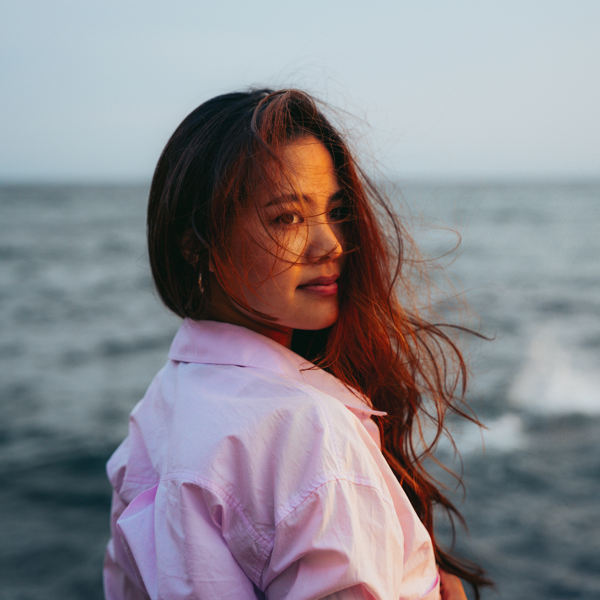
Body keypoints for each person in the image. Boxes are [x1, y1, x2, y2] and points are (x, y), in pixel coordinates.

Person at [103, 89, 491, 599]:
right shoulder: (307, 430)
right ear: (198, 244)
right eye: (286, 217)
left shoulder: (160, 408)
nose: (331, 243)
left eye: (335, 211)